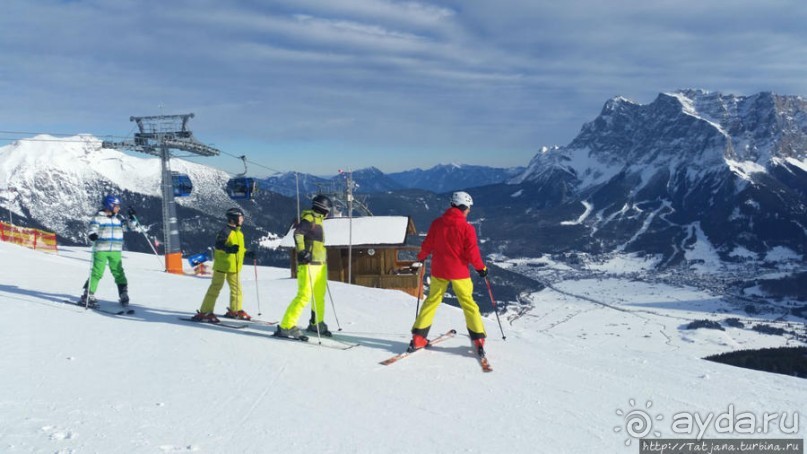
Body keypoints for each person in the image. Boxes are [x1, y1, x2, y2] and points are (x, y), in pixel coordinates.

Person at [409, 191, 489, 355]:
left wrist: (421, 257)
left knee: (432, 301)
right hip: (460, 272)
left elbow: (428, 244)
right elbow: (472, 253)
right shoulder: (467, 228)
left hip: (439, 270)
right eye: (468, 208)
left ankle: (418, 338)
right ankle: (478, 340)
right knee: (468, 304)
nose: (469, 211)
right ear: (463, 207)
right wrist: (481, 269)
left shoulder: (437, 223)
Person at [275, 195, 333, 340]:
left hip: (320, 265)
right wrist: (302, 252)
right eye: (329, 210)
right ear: (324, 209)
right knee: (304, 296)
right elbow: (298, 234)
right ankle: (286, 326)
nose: (329, 213)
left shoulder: (319, 220)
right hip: (308, 264)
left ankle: (316, 323)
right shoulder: (310, 219)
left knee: (319, 297)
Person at [191, 207, 252, 322]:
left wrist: (247, 253)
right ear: (234, 219)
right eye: (241, 217)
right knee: (215, 288)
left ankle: (235, 310)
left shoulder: (239, 233)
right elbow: (219, 245)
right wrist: (228, 249)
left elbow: (239, 249)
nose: (242, 219)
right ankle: (205, 312)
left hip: (234, 267)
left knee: (237, 289)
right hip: (222, 267)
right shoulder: (225, 231)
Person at [80, 195, 140, 307]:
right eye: (116, 206)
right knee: (97, 272)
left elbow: (130, 227)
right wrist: (92, 235)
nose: (119, 208)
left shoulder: (118, 219)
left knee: (118, 272)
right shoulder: (98, 218)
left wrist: (132, 217)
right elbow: (92, 229)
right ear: (109, 205)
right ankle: (88, 294)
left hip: (116, 251)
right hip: (101, 249)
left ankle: (123, 294)